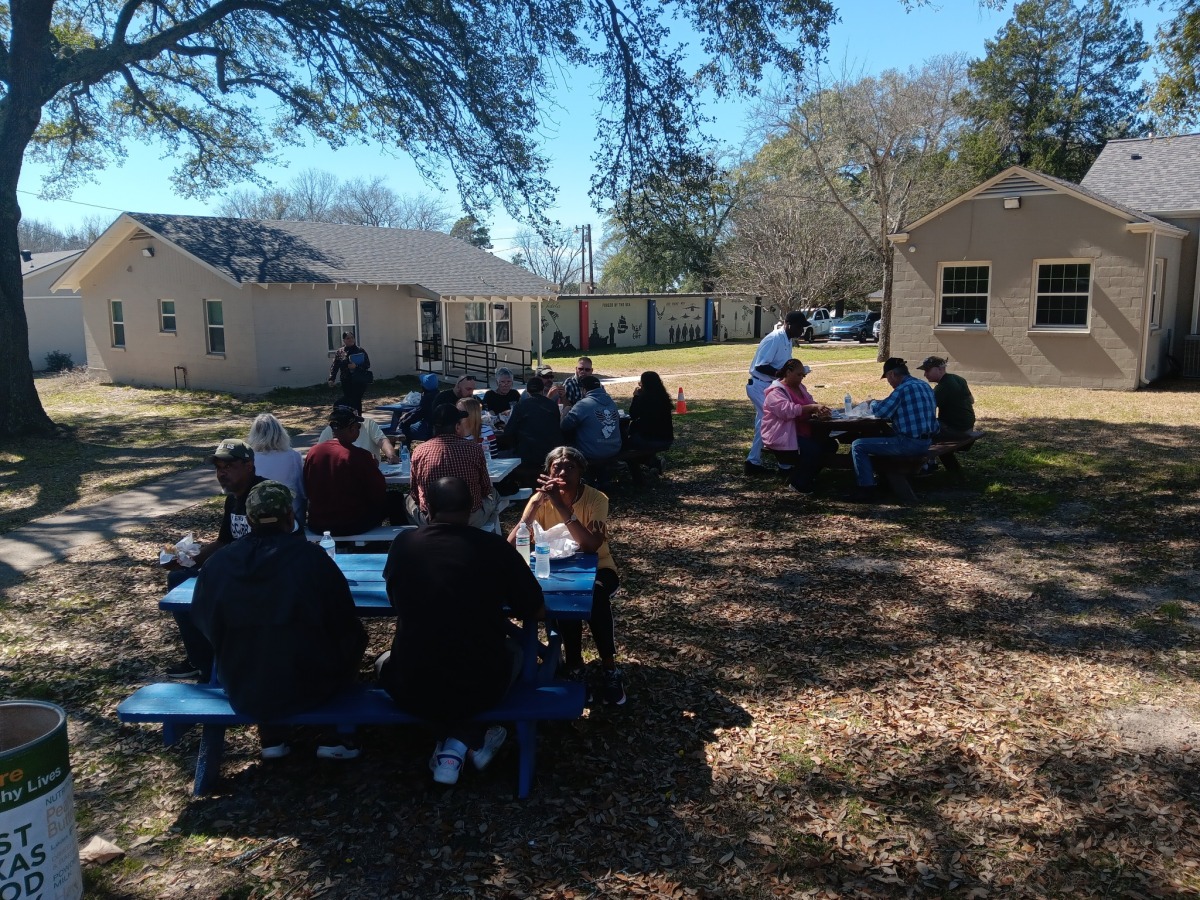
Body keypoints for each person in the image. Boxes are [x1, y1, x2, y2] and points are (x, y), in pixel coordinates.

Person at [379, 477, 545, 785]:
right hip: (480, 684)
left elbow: (395, 600)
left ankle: (453, 742)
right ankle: (466, 738)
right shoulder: (494, 548)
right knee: (516, 652)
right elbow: (534, 609)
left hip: (411, 682)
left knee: (383, 663)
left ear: (427, 509)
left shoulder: (404, 545)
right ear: (471, 509)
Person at [191, 481, 367, 761]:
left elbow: (202, 621)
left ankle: (271, 736)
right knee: (354, 636)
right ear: (290, 517)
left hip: (242, 686)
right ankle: (336, 733)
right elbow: (344, 618)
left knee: (259, 646)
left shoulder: (218, 563)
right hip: (312, 686)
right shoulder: (313, 559)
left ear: (249, 520)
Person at [508, 446, 625, 705]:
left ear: (581, 471)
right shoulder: (539, 499)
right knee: (563, 599)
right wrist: (533, 507)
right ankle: (574, 664)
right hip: (554, 569)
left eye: (570, 467)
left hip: (598, 566)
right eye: (556, 468)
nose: (562, 473)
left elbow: (591, 546)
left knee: (594, 596)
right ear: (548, 472)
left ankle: (609, 666)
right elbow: (511, 546)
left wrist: (561, 506)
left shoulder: (596, 499)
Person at [163, 439, 266, 681]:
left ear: (249, 465)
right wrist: (187, 560)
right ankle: (201, 659)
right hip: (234, 572)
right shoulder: (233, 500)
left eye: (229, 466)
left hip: (257, 578)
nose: (222, 473)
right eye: (218, 468)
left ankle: (216, 660)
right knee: (178, 578)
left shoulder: (263, 496)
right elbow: (223, 541)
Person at [848, 358, 939, 503]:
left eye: (887, 378)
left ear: (891, 374)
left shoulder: (902, 389)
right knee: (882, 434)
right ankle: (883, 478)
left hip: (909, 443)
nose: (889, 382)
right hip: (927, 441)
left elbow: (882, 412)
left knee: (858, 445)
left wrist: (872, 403)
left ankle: (866, 488)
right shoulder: (924, 385)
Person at [406, 404, 498, 529]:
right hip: (469, 519)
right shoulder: (474, 448)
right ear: (457, 426)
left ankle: (421, 535)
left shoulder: (419, 451)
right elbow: (486, 488)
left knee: (407, 500)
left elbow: (414, 492)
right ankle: (488, 533)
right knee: (494, 494)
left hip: (432, 520)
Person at [304, 406, 388, 534]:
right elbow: (378, 491)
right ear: (352, 428)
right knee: (396, 499)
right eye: (358, 427)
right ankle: (398, 542)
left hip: (317, 524)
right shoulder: (360, 455)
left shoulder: (313, 452)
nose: (359, 430)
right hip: (351, 523)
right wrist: (372, 465)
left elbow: (307, 485)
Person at [745, 310, 809, 477]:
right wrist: (782, 375)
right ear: (788, 325)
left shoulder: (787, 340)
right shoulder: (774, 338)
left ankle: (753, 462)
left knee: (763, 423)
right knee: (778, 420)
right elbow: (760, 366)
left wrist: (797, 372)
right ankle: (784, 464)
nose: (802, 330)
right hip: (760, 386)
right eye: (799, 327)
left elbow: (784, 366)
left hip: (770, 386)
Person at [760, 360, 833, 496]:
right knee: (813, 449)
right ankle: (798, 483)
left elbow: (810, 402)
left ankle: (807, 476)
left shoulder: (801, 388)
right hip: (783, 436)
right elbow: (786, 411)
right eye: (799, 375)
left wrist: (818, 410)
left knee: (830, 444)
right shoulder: (775, 392)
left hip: (803, 432)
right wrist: (811, 408)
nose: (801, 378)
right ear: (788, 372)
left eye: (803, 375)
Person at [502, 376, 562, 485]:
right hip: (550, 453)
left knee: (502, 455)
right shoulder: (552, 405)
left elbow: (508, 432)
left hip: (528, 456)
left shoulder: (521, 406)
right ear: (542, 390)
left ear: (527, 391)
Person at [246, 413, 305, 520]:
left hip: (259, 516)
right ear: (280, 432)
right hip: (290, 516)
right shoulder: (293, 456)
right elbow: (302, 491)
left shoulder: (250, 460)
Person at [623, 370, 673, 483]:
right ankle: (653, 463)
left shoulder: (644, 398)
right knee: (635, 447)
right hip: (666, 438)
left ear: (644, 384)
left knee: (625, 449)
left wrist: (636, 397)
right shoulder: (663, 397)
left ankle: (640, 477)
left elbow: (633, 414)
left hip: (651, 439)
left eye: (640, 383)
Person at [560, 374, 621, 465]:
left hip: (591, 451)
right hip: (614, 448)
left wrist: (565, 412)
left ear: (583, 390)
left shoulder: (583, 404)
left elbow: (564, 426)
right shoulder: (611, 402)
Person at [917, 356, 976, 441]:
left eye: (927, 370)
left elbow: (925, 411)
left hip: (957, 430)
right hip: (968, 427)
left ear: (940, 369)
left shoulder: (943, 387)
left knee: (920, 426)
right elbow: (971, 400)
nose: (925, 374)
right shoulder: (959, 379)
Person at [317, 404, 399, 463]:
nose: (357, 429)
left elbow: (383, 441)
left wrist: (391, 455)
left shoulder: (368, 424)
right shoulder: (361, 456)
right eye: (354, 426)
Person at [327, 330, 372, 415]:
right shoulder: (340, 352)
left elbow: (367, 364)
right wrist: (331, 378)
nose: (350, 339)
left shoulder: (360, 350)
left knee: (356, 399)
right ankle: (350, 418)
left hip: (359, 380)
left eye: (352, 337)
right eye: (348, 338)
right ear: (344, 340)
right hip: (346, 380)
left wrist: (356, 366)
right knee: (348, 399)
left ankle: (358, 418)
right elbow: (335, 366)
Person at [398, 372, 441, 443]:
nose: (420, 384)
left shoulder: (427, 399)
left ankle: (405, 449)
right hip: (438, 428)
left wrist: (404, 422)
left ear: (424, 387)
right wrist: (407, 414)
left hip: (428, 429)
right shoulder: (439, 395)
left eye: (422, 383)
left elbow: (417, 414)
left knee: (403, 430)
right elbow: (418, 410)